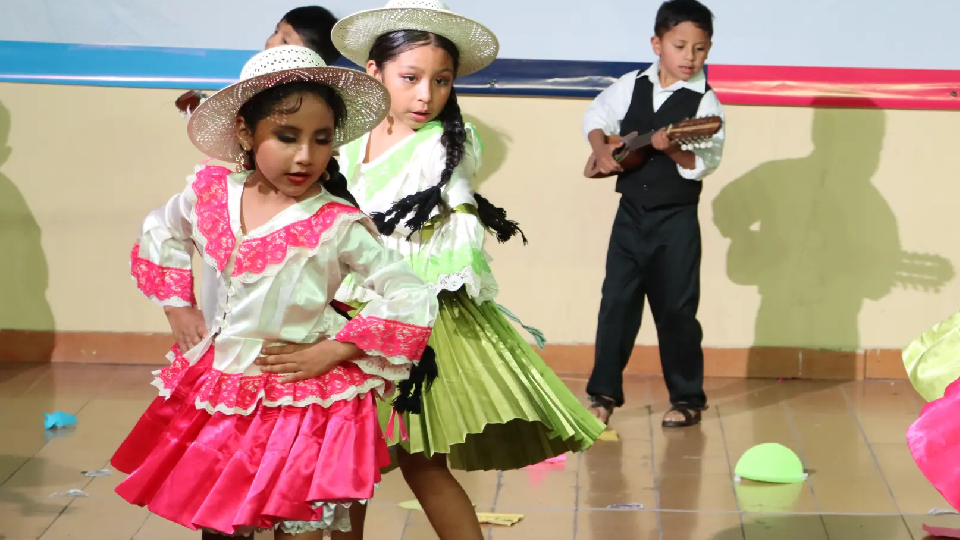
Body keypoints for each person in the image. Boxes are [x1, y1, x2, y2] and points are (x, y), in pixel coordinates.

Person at [256, 2, 605, 539]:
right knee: (345, 464)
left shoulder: (448, 144)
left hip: (415, 317)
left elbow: (457, 219)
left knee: (420, 462)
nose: (426, 95)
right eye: (411, 78)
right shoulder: (344, 138)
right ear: (373, 73)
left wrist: (406, 298)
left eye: (441, 81)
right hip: (340, 309)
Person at [112, 45, 440, 539]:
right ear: (246, 130)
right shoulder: (212, 193)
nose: (305, 156)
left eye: (321, 139)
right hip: (223, 388)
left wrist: (337, 349)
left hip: (301, 402)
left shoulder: (336, 223)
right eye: (286, 137)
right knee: (220, 518)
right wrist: (178, 306)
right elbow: (163, 230)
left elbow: (410, 294)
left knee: (296, 523)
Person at [582, 0, 725, 428]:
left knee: (676, 311)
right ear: (657, 44)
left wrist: (675, 147)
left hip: (675, 220)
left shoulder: (706, 105)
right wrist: (601, 148)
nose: (689, 57)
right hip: (630, 215)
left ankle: (687, 399)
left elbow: (706, 163)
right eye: (680, 45)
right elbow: (597, 115)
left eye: (700, 49)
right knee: (616, 304)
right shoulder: (633, 84)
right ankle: (602, 395)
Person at [176, 6, 341, 116]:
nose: (271, 41)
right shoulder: (256, 87)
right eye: (275, 31)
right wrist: (203, 106)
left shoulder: (316, 101)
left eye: (285, 41)